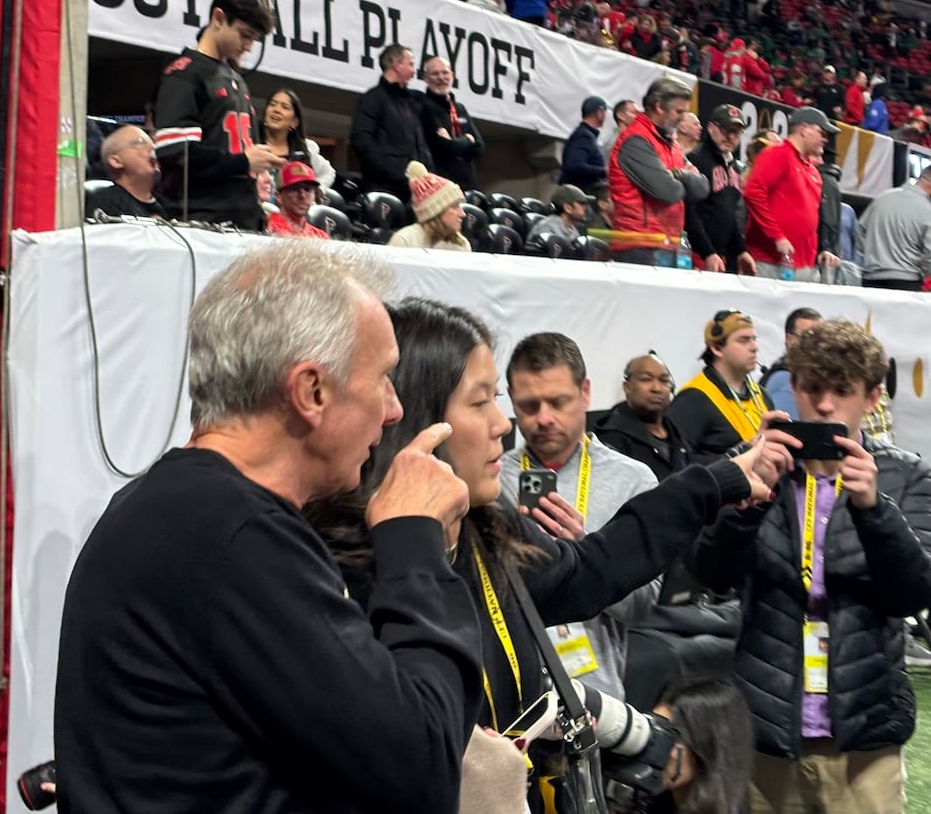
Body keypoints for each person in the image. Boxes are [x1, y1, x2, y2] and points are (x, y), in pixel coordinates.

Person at [54, 242, 483, 814]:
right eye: (382, 378)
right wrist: (415, 545)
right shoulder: (233, 538)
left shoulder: (179, 512)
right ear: (310, 391)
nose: (393, 411)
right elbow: (423, 772)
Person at [310, 299, 769, 741]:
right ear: (416, 417)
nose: (502, 424)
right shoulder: (334, 568)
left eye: (497, 400)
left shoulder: (483, 528)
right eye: (479, 403)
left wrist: (713, 483)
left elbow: (592, 570)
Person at [690, 319, 931, 814]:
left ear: (872, 397)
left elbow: (912, 593)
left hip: (864, 733)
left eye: (841, 391)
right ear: (793, 387)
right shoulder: (753, 467)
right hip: (771, 730)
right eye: (811, 388)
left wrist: (876, 514)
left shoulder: (905, 478)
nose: (823, 407)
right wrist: (745, 503)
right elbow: (709, 573)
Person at [499, 333, 662, 700]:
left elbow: (642, 607)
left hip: (594, 700)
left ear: (585, 392)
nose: (543, 418)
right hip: (510, 697)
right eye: (528, 405)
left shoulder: (633, 479)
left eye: (558, 402)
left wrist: (588, 555)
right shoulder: (489, 479)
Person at [153, 0, 285, 230]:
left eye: (253, 39)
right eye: (244, 35)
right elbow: (176, 155)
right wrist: (243, 162)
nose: (247, 46)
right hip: (204, 222)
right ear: (218, 18)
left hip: (242, 220)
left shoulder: (234, 78)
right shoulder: (184, 75)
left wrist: (260, 162)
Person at [595, 677, 756, 814]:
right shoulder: (642, 811)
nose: (655, 747)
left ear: (706, 749)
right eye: (654, 731)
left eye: (669, 736)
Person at [607, 77, 709, 266]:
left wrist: (676, 174)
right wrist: (684, 175)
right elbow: (669, 192)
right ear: (659, 106)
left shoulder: (671, 142)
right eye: (679, 111)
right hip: (638, 245)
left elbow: (702, 188)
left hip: (666, 242)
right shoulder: (636, 141)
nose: (683, 117)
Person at [741, 107, 841, 281]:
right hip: (771, 260)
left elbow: (813, 218)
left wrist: (822, 250)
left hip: (805, 264)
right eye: (821, 133)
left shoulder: (813, 170)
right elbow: (753, 193)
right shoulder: (777, 154)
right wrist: (777, 236)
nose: (825, 139)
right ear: (804, 129)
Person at [669, 310, 774, 464]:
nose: (754, 347)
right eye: (744, 340)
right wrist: (738, 457)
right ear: (717, 348)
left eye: (754, 339)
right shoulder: (693, 399)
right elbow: (677, 461)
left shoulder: (761, 394)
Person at [351, 44, 432, 201]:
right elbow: (362, 142)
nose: (414, 71)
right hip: (384, 189)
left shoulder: (412, 102)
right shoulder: (372, 99)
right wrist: (398, 174)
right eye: (410, 64)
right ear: (396, 64)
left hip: (416, 192)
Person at [596, 352, 693, 482]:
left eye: (664, 380)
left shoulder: (675, 430)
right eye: (646, 379)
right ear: (627, 387)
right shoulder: (611, 437)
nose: (657, 388)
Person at [685, 104, 753, 275]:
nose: (730, 137)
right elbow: (690, 213)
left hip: (723, 257)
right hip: (698, 255)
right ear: (711, 128)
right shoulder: (696, 160)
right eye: (725, 130)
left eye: (735, 132)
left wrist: (741, 250)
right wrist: (707, 252)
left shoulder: (735, 167)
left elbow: (731, 215)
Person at [859, 163, 931, 291]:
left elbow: (859, 230)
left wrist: (872, 256)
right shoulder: (927, 210)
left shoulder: (883, 197)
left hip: (870, 279)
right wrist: (926, 275)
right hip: (906, 281)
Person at [417, 56, 484, 191]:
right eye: (435, 73)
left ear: (452, 75)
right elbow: (443, 148)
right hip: (439, 185)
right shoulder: (424, 107)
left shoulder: (460, 109)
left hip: (468, 185)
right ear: (426, 78)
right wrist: (467, 139)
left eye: (445, 72)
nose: (441, 77)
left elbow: (479, 148)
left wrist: (456, 143)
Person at [258, 87, 336, 190]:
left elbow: (328, 173)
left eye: (285, 107)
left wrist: (318, 191)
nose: (276, 110)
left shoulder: (306, 149)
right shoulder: (251, 141)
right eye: (272, 104)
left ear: (294, 122)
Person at [86, 125, 166, 220]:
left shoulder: (167, 203)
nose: (153, 147)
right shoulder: (106, 202)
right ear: (116, 161)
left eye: (153, 143)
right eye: (140, 142)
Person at [388, 161, 471, 251]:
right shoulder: (404, 240)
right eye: (454, 206)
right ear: (437, 211)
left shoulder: (462, 245)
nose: (463, 214)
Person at [759, 307, 823, 420]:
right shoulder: (785, 380)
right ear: (789, 339)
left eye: (820, 338)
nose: (815, 344)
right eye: (807, 337)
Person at [267, 161, 329, 238]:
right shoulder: (267, 228)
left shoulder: (321, 236)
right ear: (278, 197)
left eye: (308, 189)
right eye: (294, 189)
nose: (302, 195)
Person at [559, 96, 608, 192]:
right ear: (600, 113)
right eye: (605, 112)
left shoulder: (585, 135)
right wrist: (604, 171)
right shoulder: (584, 136)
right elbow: (574, 165)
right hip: (580, 197)